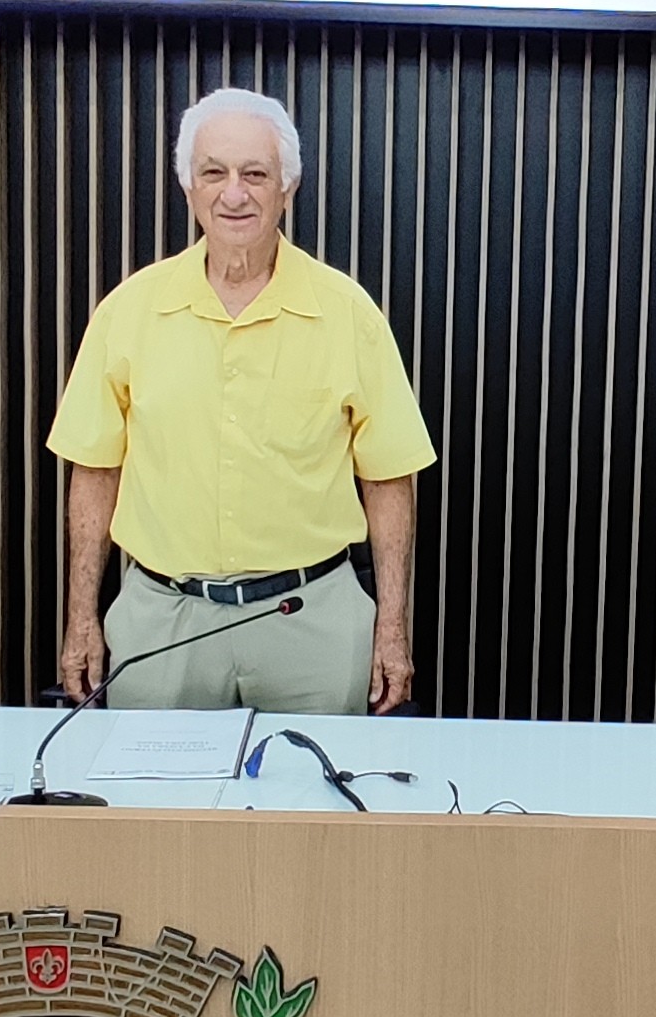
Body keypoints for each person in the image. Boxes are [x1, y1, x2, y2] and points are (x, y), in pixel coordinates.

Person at [48, 89, 436, 715]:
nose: (234, 194)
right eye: (214, 173)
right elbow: (94, 471)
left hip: (313, 620)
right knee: (155, 782)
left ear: (288, 188)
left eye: (255, 174)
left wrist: (391, 627)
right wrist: (80, 617)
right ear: (188, 188)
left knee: (313, 783)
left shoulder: (348, 314)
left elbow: (389, 479)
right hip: (161, 622)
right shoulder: (129, 310)